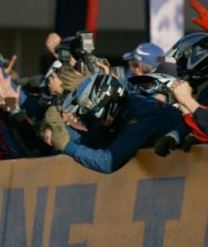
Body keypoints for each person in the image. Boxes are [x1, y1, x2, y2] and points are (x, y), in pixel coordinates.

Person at [48, 74, 184, 173]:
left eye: (89, 113)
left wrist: (67, 146)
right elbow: (95, 140)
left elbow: (108, 162)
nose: (87, 118)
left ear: (104, 106)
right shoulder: (126, 107)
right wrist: (62, 130)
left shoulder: (142, 117)